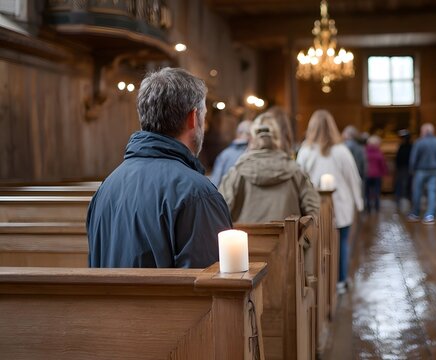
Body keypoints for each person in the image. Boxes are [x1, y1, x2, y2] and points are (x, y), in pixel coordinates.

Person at [86, 67, 232, 268]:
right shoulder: (197, 194)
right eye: (203, 118)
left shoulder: (106, 189)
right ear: (193, 117)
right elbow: (210, 290)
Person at [297, 110, 363, 292]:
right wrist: (359, 203)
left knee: (318, 244)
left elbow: (299, 179)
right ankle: (340, 281)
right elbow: (353, 179)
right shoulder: (341, 151)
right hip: (341, 205)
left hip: (313, 206)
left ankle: (320, 281)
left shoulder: (305, 151)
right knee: (342, 243)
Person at [219, 113, 320, 223]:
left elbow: (220, 209)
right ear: (277, 138)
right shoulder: (295, 171)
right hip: (287, 238)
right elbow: (312, 211)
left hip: (247, 239)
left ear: (252, 137)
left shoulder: (237, 172)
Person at [408, 123, 436, 224]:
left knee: (417, 192)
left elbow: (413, 159)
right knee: (432, 192)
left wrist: (411, 171)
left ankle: (415, 213)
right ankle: (430, 215)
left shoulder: (419, 142)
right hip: (435, 170)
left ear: (424, 131)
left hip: (421, 170)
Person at [210, 120, 252, 187]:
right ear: (251, 136)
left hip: (226, 196)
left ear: (238, 134)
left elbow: (215, 182)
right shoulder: (253, 155)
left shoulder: (225, 154)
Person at [364, 135, 388, 213]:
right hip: (377, 174)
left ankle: (368, 207)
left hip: (367, 174)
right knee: (376, 191)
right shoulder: (378, 152)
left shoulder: (365, 151)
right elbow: (382, 164)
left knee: (367, 192)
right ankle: (376, 206)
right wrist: (384, 172)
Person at [394, 129, 413, 211]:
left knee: (407, 184)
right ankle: (399, 199)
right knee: (400, 184)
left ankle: (407, 199)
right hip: (402, 168)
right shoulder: (401, 146)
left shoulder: (411, 146)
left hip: (408, 168)